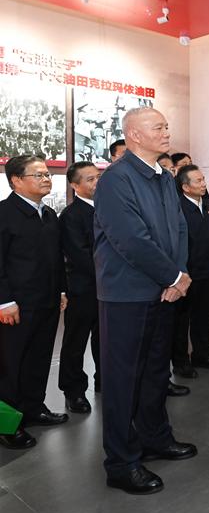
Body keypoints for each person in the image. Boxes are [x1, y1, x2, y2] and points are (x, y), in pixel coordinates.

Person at [93, 107, 196, 495]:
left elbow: (179, 229)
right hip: (127, 294)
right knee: (123, 380)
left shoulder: (164, 176)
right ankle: (121, 463)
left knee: (155, 372)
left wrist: (179, 275)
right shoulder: (116, 179)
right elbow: (130, 239)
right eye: (158, 127)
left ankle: (155, 437)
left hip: (164, 290)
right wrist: (173, 276)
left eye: (167, 126)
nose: (166, 132)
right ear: (134, 135)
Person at [0, 155, 68, 450]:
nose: (46, 179)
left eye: (47, 174)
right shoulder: (4, 214)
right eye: (38, 175)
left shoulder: (48, 214)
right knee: (9, 367)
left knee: (38, 360)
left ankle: (34, 408)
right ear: (16, 180)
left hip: (47, 300)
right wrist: (4, 302)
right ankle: (7, 426)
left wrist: (61, 291)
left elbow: (56, 258)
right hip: (16, 305)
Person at [58, 161, 101, 415]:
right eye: (90, 179)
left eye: (98, 177)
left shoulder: (107, 208)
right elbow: (80, 255)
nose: (97, 183)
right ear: (75, 185)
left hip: (108, 288)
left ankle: (104, 380)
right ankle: (73, 390)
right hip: (83, 288)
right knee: (76, 342)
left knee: (104, 338)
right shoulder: (71, 215)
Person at [174, 165, 209, 376]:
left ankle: (202, 355)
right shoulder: (177, 207)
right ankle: (181, 362)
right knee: (181, 321)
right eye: (198, 181)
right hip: (187, 273)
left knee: (203, 317)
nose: (204, 184)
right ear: (185, 187)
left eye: (203, 179)